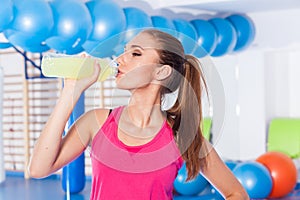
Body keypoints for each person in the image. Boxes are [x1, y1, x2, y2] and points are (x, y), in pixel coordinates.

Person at [29, 29, 249, 200]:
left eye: (135, 53)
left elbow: (237, 194)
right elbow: (39, 169)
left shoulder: (181, 136)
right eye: (124, 51)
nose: (120, 59)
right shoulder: (96, 122)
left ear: (161, 71)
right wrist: (72, 90)